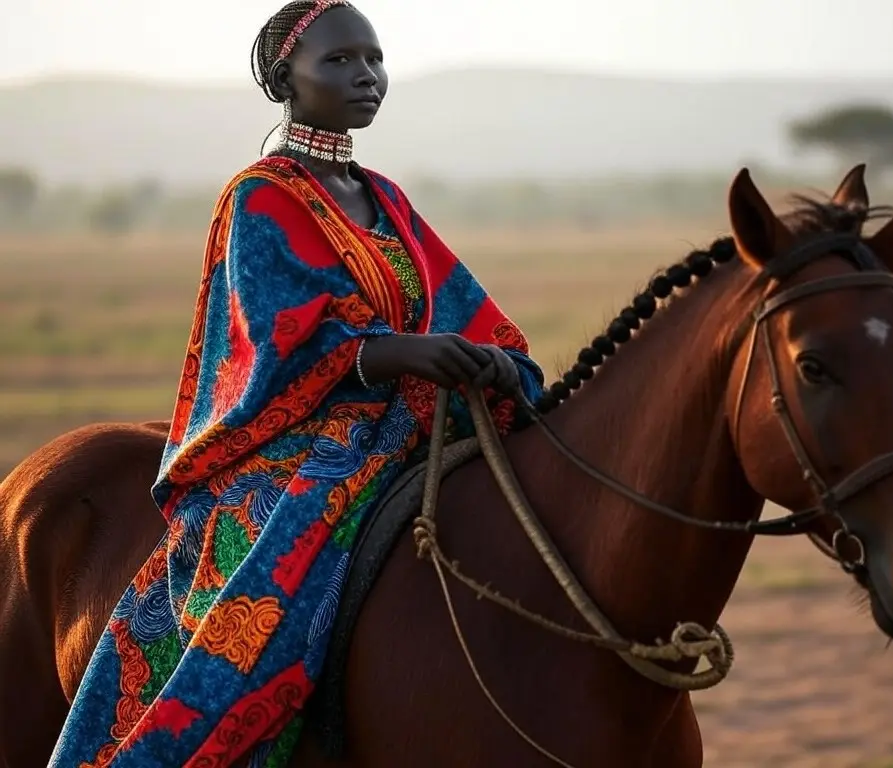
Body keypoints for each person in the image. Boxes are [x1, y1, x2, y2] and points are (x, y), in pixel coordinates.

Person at [48, 1, 545, 765]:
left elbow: (457, 302)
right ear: (287, 76)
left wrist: (495, 359)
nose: (366, 77)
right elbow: (272, 344)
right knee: (281, 584)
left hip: (408, 420)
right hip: (304, 435)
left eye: (375, 60)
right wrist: (403, 355)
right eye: (340, 61)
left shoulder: (385, 196)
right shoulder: (260, 196)